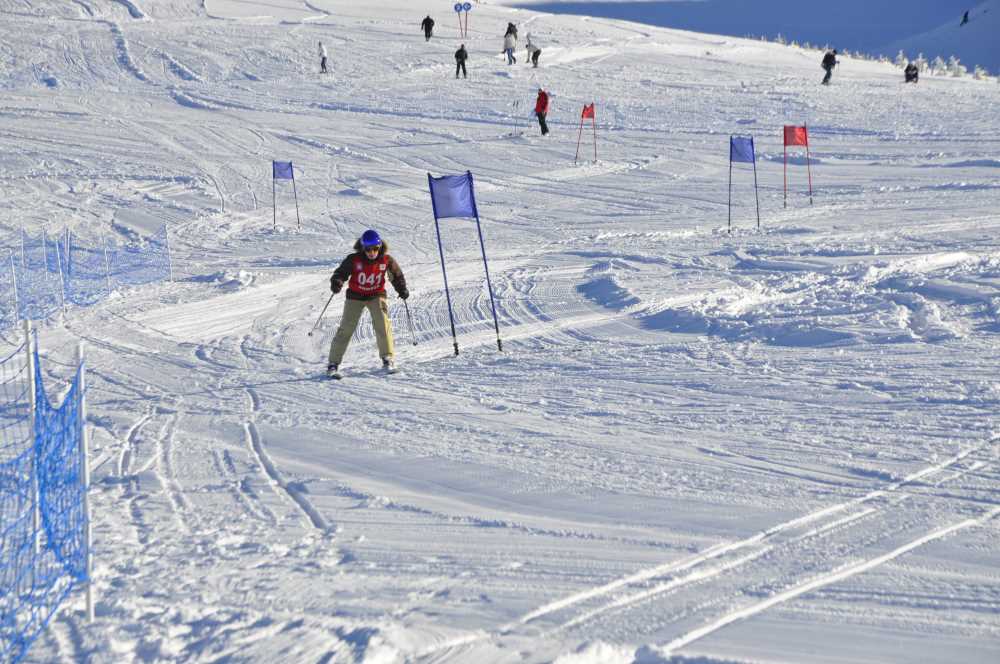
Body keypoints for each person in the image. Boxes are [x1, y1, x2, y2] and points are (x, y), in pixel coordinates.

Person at [327, 230, 408, 378]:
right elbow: (340, 273)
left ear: (380, 246)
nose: (372, 252)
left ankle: (387, 358)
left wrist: (402, 289)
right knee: (346, 328)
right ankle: (333, 364)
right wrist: (337, 282)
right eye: (368, 249)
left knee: (383, 324)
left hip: (376, 295)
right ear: (363, 248)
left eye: (375, 249)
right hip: (355, 296)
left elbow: (396, 276)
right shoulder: (354, 259)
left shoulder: (386, 260)